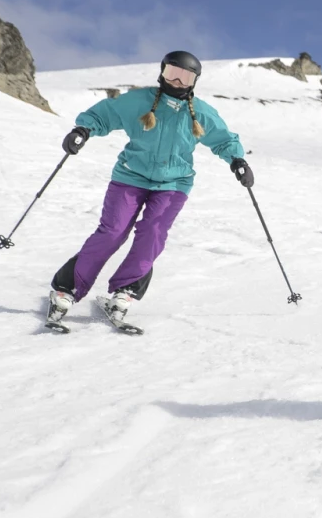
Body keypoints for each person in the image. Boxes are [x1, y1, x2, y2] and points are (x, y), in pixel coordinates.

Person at [46, 51, 250, 328]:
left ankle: (125, 290)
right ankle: (67, 289)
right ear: (162, 72)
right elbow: (105, 114)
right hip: (130, 176)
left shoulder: (201, 112)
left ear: (194, 81)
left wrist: (237, 160)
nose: (177, 81)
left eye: (185, 77)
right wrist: (83, 130)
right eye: (171, 73)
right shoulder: (139, 101)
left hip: (174, 184)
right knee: (113, 232)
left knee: (153, 233)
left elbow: (223, 139)